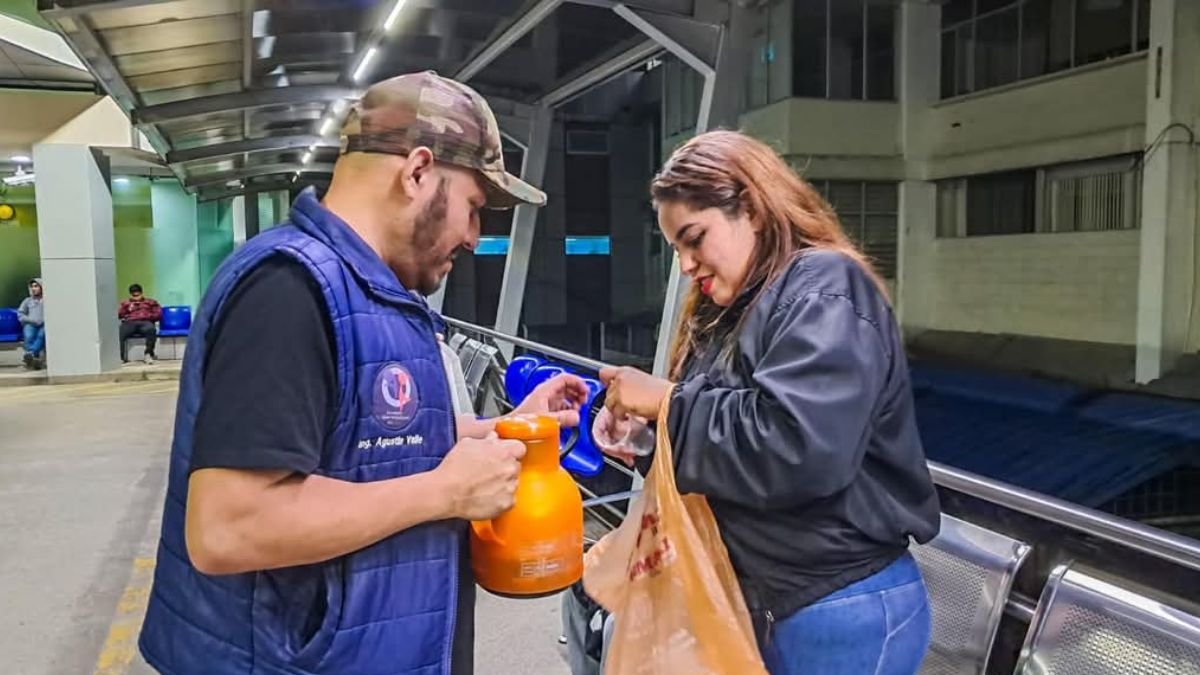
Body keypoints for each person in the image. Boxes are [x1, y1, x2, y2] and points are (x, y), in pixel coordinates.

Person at [138, 70, 589, 675]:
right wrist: (444, 493)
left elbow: (364, 441)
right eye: (475, 208)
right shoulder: (289, 291)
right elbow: (229, 527)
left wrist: (507, 428)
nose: (475, 239)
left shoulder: (371, 292)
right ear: (418, 172)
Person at [597, 130, 941, 675]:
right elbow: (729, 449)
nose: (686, 265)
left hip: (838, 604)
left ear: (752, 209)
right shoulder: (736, 308)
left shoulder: (827, 287)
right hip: (770, 596)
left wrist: (667, 404)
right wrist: (644, 439)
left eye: (695, 238)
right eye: (677, 250)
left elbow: (798, 449)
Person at [118, 283, 162, 363]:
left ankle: (148, 354)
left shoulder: (150, 302)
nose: (136, 298)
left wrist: (148, 316)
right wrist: (126, 308)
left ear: (141, 293)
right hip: (130, 322)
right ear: (130, 294)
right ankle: (120, 357)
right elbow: (120, 315)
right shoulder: (126, 303)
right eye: (134, 296)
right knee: (120, 332)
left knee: (151, 330)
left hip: (145, 322)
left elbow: (158, 314)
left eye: (138, 295)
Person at [17, 277, 45, 370]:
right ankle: (33, 357)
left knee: (42, 334)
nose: (33, 288)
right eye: (32, 286)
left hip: (44, 325)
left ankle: (30, 354)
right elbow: (20, 314)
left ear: (41, 287)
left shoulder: (46, 300)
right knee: (29, 335)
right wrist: (29, 320)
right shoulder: (27, 301)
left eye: (36, 286)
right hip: (31, 323)